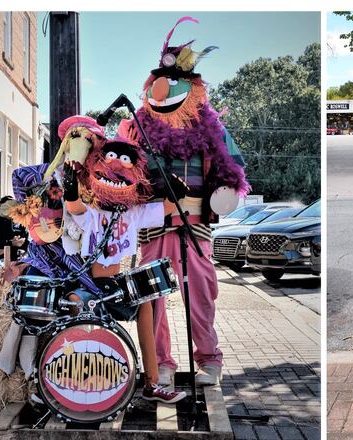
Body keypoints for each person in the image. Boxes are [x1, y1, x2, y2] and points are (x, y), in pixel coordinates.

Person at [119, 16, 249, 387]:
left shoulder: (211, 128)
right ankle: (161, 362)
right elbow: (119, 169)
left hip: (196, 225)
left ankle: (209, 360)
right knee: (154, 298)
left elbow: (232, 168)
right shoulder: (135, 129)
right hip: (153, 224)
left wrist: (223, 195)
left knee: (202, 296)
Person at [62, 134, 189, 404]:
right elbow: (75, 208)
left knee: (146, 304)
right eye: (110, 158)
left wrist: (176, 192)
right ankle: (71, 380)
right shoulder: (93, 213)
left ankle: (152, 383)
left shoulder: (132, 214)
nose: (117, 166)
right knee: (74, 304)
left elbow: (163, 210)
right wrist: (70, 187)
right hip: (90, 284)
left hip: (116, 284)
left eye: (124, 161)